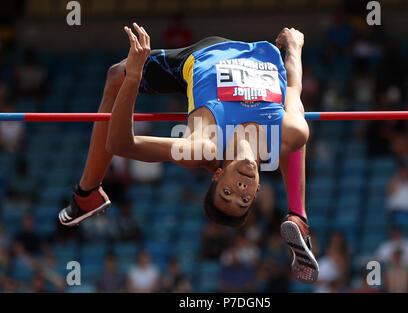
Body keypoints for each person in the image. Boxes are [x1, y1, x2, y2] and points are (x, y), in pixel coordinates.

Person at [58, 23, 318, 282]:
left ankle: (87, 193)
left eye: (228, 193)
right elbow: (294, 88)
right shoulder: (289, 132)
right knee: (296, 137)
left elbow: (121, 144)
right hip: (263, 54)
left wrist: (134, 75)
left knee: (117, 75)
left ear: (216, 176)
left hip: (206, 54)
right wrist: (295, 46)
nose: (240, 188)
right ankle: (298, 215)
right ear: (257, 191)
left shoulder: (202, 148)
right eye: (244, 199)